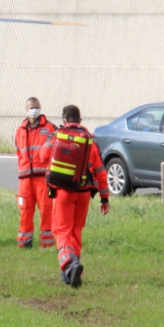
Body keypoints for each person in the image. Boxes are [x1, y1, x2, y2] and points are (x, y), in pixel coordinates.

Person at [46, 105, 110, 288]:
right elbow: (100, 172)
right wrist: (104, 198)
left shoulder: (57, 135)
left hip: (63, 192)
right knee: (75, 231)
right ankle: (70, 273)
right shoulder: (90, 140)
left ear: (64, 120)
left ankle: (70, 264)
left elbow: (43, 156)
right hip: (83, 194)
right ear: (80, 120)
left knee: (62, 230)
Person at [14, 97, 56, 248]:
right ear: (26, 109)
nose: (34, 110)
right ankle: (25, 243)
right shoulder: (20, 130)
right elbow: (18, 151)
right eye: (31, 107)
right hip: (25, 179)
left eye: (36, 107)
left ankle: (47, 243)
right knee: (25, 211)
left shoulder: (50, 128)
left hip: (43, 178)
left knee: (46, 210)